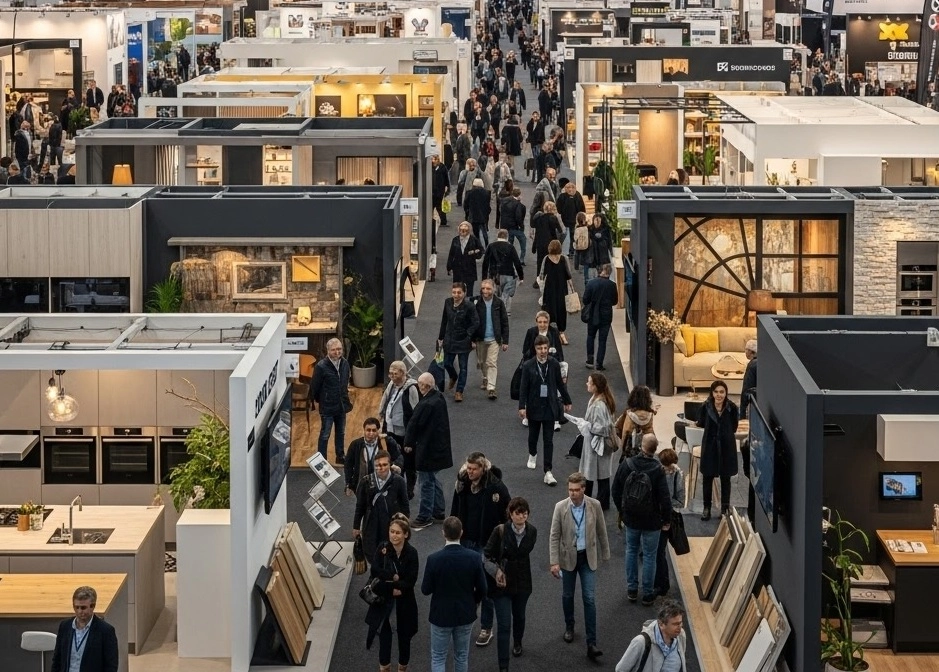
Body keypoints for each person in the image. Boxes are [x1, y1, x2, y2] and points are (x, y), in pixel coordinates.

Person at [450, 452, 510, 647]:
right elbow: (455, 508)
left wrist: (502, 542)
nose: (470, 472)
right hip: (466, 541)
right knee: (465, 583)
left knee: (486, 588)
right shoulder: (462, 484)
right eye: (468, 468)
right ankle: (464, 621)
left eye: (474, 469)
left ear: (483, 469)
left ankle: (486, 627)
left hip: (486, 545)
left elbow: (507, 515)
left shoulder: (496, 488)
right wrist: (453, 534)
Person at [549, 472, 610, 660]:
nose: (573, 494)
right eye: (570, 490)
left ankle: (591, 642)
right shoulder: (560, 507)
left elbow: (601, 530)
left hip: (587, 558)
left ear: (583, 489)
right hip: (567, 559)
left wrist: (605, 554)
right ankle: (569, 626)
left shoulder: (595, 505)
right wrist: (554, 561)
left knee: (589, 598)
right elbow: (554, 535)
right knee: (567, 595)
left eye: (576, 490)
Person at [421, 516, 489, 672]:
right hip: (465, 613)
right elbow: (483, 589)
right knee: (462, 656)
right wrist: (473, 601)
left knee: (438, 657)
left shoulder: (434, 559)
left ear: (443, 533)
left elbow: (425, 590)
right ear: (462, 533)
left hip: (441, 615)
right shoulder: (474, 558)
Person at [612, 434, 672, 606]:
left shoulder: (627, 464)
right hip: (652, 522)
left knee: (631, 550)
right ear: (655, 449)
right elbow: (665, 499)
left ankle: (632, 589)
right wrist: (666, 520)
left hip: (631, 519)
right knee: (650, 555)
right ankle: (647, 593)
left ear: (641, 446)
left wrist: (622, 512)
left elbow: (615, 490)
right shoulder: (658, 469)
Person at [484, 496, 536, 672]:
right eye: (517, 513)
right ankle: (503, 665)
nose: (521, 517)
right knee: (504, 625)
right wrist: (496, 571)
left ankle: (518, 642)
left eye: (524, 514)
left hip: (523, 582)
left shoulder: (532, 532)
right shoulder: (500, 531)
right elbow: (486, 556)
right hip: (502, 584)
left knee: (520, 616)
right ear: (510, 514)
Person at [366, 514, 419, 672]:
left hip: (405, 602)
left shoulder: (412, 553)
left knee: (405, 637)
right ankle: (384, 668)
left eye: (397, 532)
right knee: (384, 636)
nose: (393, 535)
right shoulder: (382, 549)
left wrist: (393, 584)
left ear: (406, 535)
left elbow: (411, 581)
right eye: (391, 531)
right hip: (384, 601)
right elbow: (375, 572)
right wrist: (392, 584)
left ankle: (402, 668)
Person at [518, 335, 572, 485]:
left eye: (545, 348)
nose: (542, 351)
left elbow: (560, 384)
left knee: (548, 440)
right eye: (539, 348)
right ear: (535, 349)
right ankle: (532, 453)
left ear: (548, 348)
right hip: (534, 406)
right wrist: (522, 406)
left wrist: (567, 400)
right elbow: (523, 388)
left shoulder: (554, 364)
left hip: (550, 406)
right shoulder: (528, 365)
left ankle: (548, 471)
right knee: (533, 436)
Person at [405, 373, 453, 530]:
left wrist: (409, 443)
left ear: (425, 386)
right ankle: (438, 511)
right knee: (432, 478)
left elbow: (414, 424)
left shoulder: (426, 404)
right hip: (439, 448)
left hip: (427, 450)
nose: (419, 387)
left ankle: (424, 516)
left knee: (426, 482)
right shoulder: (438, 398)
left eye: (420, 384)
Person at [354, 449, 410, 560]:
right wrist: (356, 526)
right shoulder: (366, 482)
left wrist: (405, 525)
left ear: (390, 464)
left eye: (385, 464)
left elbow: (405, 505)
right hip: (371, 523)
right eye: (378, 465)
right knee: (372, 553)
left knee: (391, 552)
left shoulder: (399, 481)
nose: (382, 468)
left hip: (391, 523)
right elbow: (360, 506)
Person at [696, 380, 739, 520]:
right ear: (712, 392)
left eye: (722, 392)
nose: (719, 395)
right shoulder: (705, 407)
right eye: (716, 392)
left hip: (727, 446)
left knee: (726, 479)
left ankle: (725, 509)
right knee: (707, 478)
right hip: (710, 446)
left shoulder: (732, 408)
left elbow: (734, 427)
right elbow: (701, 422)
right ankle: (706, 508)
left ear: (726, 393)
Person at [50, 585, 119, 672]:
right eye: (76, 607)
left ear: (92, 606)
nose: (79, 611)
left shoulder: (106, 631)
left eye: (83, 608)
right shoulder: (65, 626)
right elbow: (57, 660)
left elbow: (111, 666)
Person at [378, 361, 421, 499]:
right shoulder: (391, 384)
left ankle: (409, 489)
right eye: (390, 373)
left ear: (403, 373)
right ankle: (398, 486)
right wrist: (381, 416)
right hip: (391, 428)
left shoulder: (412, 388)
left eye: (395, 373)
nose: (391, 376)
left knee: (408, 461)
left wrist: (413, 434)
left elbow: (416, 410)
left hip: (405, 431)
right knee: (395, 459)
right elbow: (385, 399)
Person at [578, 372, 619, 509]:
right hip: (599, 444)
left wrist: (586, 425)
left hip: (597, 444)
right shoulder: (601, 399)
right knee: (602, 474)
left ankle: (591, 501)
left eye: (589, 382)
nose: (586, 384)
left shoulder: (598, 405)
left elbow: (602, 428)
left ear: (595, 386)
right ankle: (601, 501)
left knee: (592, 473)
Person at [309, 338, 352, 465]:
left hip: (341, 405)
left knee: (341, 432)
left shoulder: (345, 363)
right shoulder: (321, 367)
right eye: (334, 350)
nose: (337, 352)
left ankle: (340, 455)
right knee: (325, 434)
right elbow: (315, 387)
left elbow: (345, 381)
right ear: (328, 351)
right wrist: (321, 400)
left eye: (339, 349)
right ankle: (321, 460)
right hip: (327, 406)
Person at [615, 600, 687, 672]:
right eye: (675, 624)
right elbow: (620, 670)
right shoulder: (640, 642)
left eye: (680, 623)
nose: (679, 627)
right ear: (661, 624)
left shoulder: (681, 635)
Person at [438, 281, 480, 403]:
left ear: (464, 293)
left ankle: (459, 391)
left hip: (463, 340)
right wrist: (440, 337)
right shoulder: (447, 302)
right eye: (454, 292)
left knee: (463, 367)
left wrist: (469, 335)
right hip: (449, 339)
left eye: (459, 293)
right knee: (446, 363)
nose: (456, 295)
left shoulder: (469, 306)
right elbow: (444, 320)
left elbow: (476, 322)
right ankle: (453, 376)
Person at [654, 448, 685, 598]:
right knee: (657, 551)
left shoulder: (678, 474)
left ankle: (663, 584)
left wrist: (665, 503)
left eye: (669, 466)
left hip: (668, 517)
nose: (667, 469)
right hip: (657, 515)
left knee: (660, 551)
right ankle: (658, 581)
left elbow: (680, 501)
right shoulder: (658, 471)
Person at [345, 417, 404, 495]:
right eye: (368, 430)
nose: (371, 433)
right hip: (362, 487)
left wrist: (396, 465)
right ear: (364, 430)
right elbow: (348, 465)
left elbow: (399, 457)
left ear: (378, 431)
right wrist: (349, 484)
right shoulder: (356, 445)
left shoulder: (386, 442)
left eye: (374, 430)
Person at [473, 279, 510, 399]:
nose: (485, 291)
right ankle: (485, 377)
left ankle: (491, 388)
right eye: (483, 288)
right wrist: (472, 339)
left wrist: (505, 341)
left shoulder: (499, 303)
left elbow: (504, 322)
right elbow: (472, 322)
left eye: (488, 288)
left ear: (494, 289)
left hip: (495, 338)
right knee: (481, 362)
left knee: (491, 362)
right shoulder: (476, 302)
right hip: (480, 338)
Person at [582, 264, 618, 371]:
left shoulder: (591, 283)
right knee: (603, 340)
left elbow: (585, 300)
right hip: (606, 316)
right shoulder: (612, 285)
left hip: (593, 314)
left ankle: (590, 360)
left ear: (600, 271)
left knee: (590, 336)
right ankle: (599, 363)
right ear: (609, 272)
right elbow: (615, 301)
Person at [482, 229, 524, 316]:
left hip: (494, 274)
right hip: (508, 273)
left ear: (497, 236)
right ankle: (506, 310)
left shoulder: (491, 246)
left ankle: (496, 309)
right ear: (507, 236)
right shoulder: (510, 247)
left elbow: (485, 263)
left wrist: (484, 278)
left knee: (496, 292)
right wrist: (521, 276)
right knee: (507, 293)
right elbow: (517, 262)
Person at [539, 240, 572, 342]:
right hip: (562, 289)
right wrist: (572, 288)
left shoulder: (546, 259)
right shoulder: (564, 259)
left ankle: (547, 333)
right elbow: (568, 275)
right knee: (561, 310)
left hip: (549, 289)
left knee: (548, 309)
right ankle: (562, 333)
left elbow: (541, 274)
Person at [617, 385, 657, 459]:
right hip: (646, 448)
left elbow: (625, 432)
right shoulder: (650, 415)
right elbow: (650, 431)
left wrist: (622, 450)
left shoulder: (629, 414)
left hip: (630, 449)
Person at [446, 223, 484, 299]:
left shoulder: (473, 240)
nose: (462, 232)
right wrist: (449, 267)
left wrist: (473, 252)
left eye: (465, 230)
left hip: (469, 268)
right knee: (458, 290)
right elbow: (451, 254)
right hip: (458, 268)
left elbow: (481, 250)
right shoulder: (455, 240)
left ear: (469, 230)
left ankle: (468, 305)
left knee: (469, 291)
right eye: (461, 230)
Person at [531, 202, 564, 282]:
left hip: (540, 243)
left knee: (540, 261)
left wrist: (534, 246)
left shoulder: (539, 218)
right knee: (551, 261)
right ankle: (550, 278)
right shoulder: (553, 218)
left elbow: (537, 232)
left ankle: (539, 279)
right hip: (551, 243)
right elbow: (560, 230)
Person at [556, 182, 586, 257]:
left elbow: (581, 207)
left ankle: (571, 251)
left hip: (573, 220)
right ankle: (564, 250)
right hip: (566, 220)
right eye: (569, 188)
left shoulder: (576, 195)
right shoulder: (563, 196)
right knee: (565, 235)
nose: (570, 190)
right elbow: (558, 208)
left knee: (572, 236)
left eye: (572, 188)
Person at [499, 187, 528, 266]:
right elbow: (518, 217)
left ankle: (507, 258)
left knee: (509, 243)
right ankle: (521, 259)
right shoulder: (518, 204)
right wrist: (522, 227)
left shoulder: (504, 201)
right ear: (519, 194)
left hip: (504, 226)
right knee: (523, 241)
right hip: (514, 227)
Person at [584, 213, 614, 283]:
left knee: (604, 275)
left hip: (603, 257)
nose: (597, 222)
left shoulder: (606, 229)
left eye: (598, 220)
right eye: (595, 220)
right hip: (593, 257)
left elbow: (609, 242)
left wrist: (611, 252)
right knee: (593, 277)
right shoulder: (590, 229)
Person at [464, 177, 492, 249]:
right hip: (483, 215)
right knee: (484, 231)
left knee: (476, 233)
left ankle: (479, 246)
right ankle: (487, 245)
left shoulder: (469, 192)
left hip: (473, 215)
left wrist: (467, 213)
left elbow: (466, 204)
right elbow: (488, 205)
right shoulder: (487, 193)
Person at [431, 154, 451, 228]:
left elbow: (446, 178)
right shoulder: (429, 167)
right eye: (432, 159)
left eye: (435, 159)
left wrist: (448, 188)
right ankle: (430, 221)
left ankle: (443, 221)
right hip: (431, 190)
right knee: (431, 206)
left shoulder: (442, 167)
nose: (433, 161)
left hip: (440, 190)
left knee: (440, 207)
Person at [740, 339, 758, 419]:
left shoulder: (752, 365)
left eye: (746, 350)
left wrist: (742, 410)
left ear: (751, 352)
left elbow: (747, 388)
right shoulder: (762, 362)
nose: (745, 352)